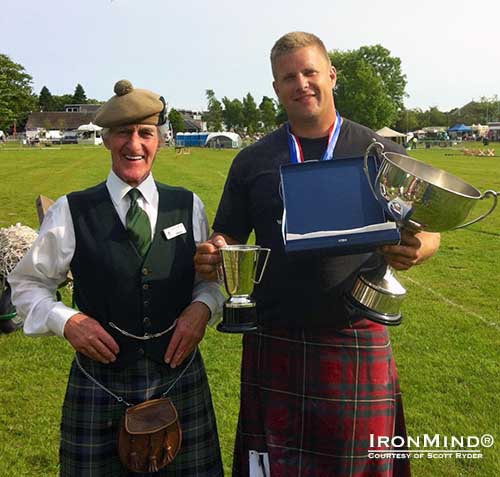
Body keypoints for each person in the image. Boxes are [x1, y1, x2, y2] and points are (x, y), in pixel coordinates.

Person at [195, 32, 441, 477]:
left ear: (330, 75)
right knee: (274, 466)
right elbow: (227, 232)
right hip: (274, 334)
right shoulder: (253, 160)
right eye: (288, 77)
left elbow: (431, 232)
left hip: (355, 331)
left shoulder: (382, 154)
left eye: (310, 72)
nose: (301, 83)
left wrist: (417, 248)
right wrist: (217, 250)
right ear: (276, 88)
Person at [9, 80, 224, 476]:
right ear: (107, 139)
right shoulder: (72, 210)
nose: (135, 145)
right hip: (100, 383)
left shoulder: (188, 205)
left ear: (159, 140)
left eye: (145, 133)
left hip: (179, 379)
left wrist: (203, 307)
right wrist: (67, 320)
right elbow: (27, 285)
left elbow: (208, 279)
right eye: (124, 133)